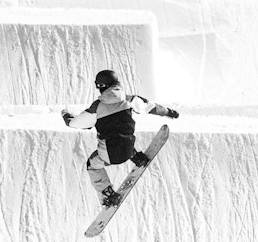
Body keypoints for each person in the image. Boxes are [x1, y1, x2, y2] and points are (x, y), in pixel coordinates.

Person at [62, 68, 179, 207]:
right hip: (128, 149)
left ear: (101, 87)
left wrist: (66, 116)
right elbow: (152, 107)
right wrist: (169, 112)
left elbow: (75, 123)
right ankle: (136, 157)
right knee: (122, 133)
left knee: (92, 166)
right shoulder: (130, 100)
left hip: (109, 156)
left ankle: (108, 195)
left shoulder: (97, 107)